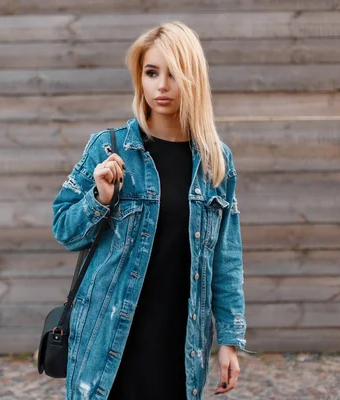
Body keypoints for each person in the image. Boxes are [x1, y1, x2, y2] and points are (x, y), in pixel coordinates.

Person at [52, 21, 252, 400]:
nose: (162, 85)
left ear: (193, 79)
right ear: (139, 79)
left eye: (174, 73)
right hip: (107, 339)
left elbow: (228, 259)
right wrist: (100, 197)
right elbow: (64, 229)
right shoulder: (109, 148)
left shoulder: (215, 162)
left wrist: (229, 341)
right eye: (151, 72)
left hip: (180, 343)